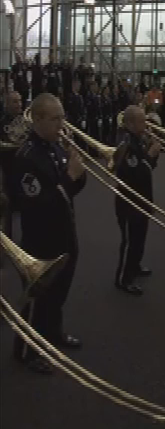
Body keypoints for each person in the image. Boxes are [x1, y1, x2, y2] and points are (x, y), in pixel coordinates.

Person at [8, 94, 87, 373]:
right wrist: (70, 177)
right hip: (40, 239)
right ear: (38, 119)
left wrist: (78, 172)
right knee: (37, 299)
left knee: (58, 294)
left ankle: (52, 333)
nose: (62, 124)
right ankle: (26, 351)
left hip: (65, 232)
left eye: (63, 117)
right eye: (55, 119)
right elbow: (38, 206)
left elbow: (71, 191)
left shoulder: (56, 147)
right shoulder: (27, 157)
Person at [110, 104, 160, 295]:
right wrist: (151, 154)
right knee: (130, 241)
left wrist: (151, 155)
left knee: (140, 237)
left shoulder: (138, 140)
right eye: (141, 121)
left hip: (142, 198)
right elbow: (137, 173)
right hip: (128, 202)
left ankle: (135, 266)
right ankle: (123, 278)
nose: (145, 124)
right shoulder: (126, 145)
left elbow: (147, 168)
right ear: (130, 123)